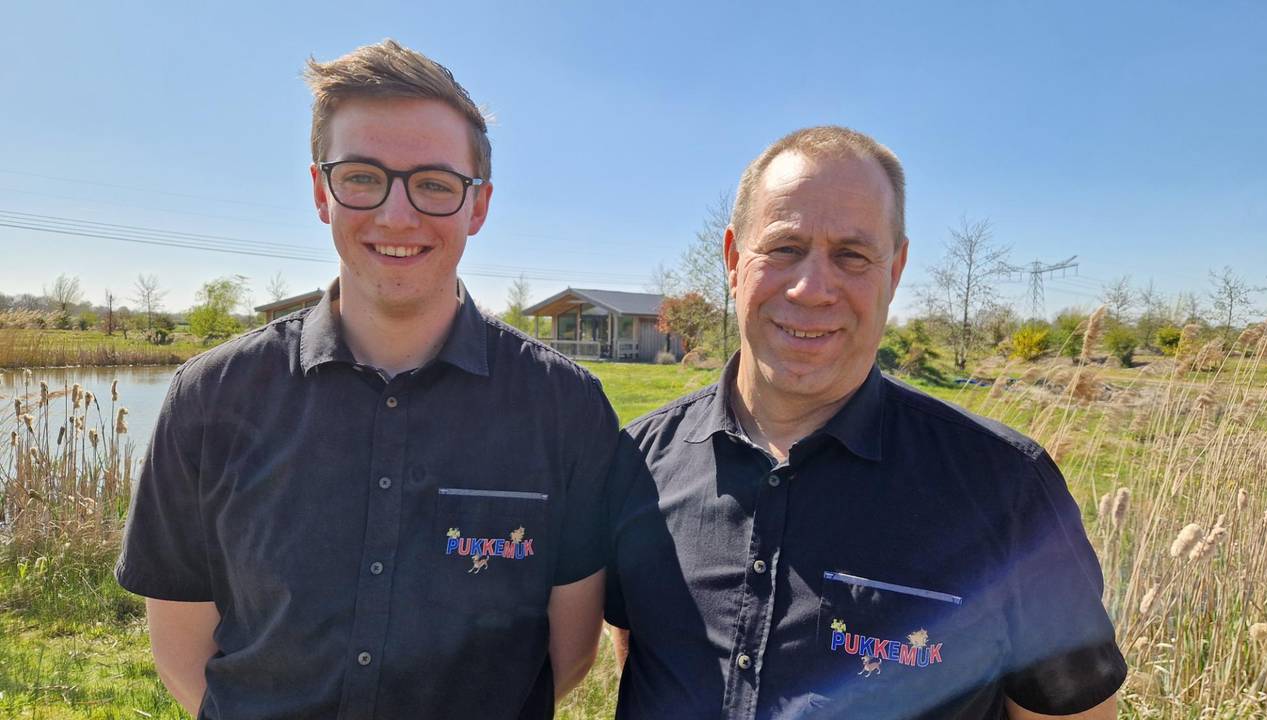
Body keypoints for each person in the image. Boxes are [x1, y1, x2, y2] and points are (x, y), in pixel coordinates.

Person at [116, 39, 617, 719]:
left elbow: (570, 652)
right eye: (362, 176)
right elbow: (181, 647)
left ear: (479, 205)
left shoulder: (566, 407)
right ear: (322, 191)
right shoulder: (211, 398)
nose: (397, 215)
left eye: (435, 183)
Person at [605, 126, 1126, 719]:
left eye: (851, 255)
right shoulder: (640, 462)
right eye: (784, 248)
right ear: (732, 259)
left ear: (896, 268)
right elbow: (642, 654)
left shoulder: (1006, 488)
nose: (812, 288)